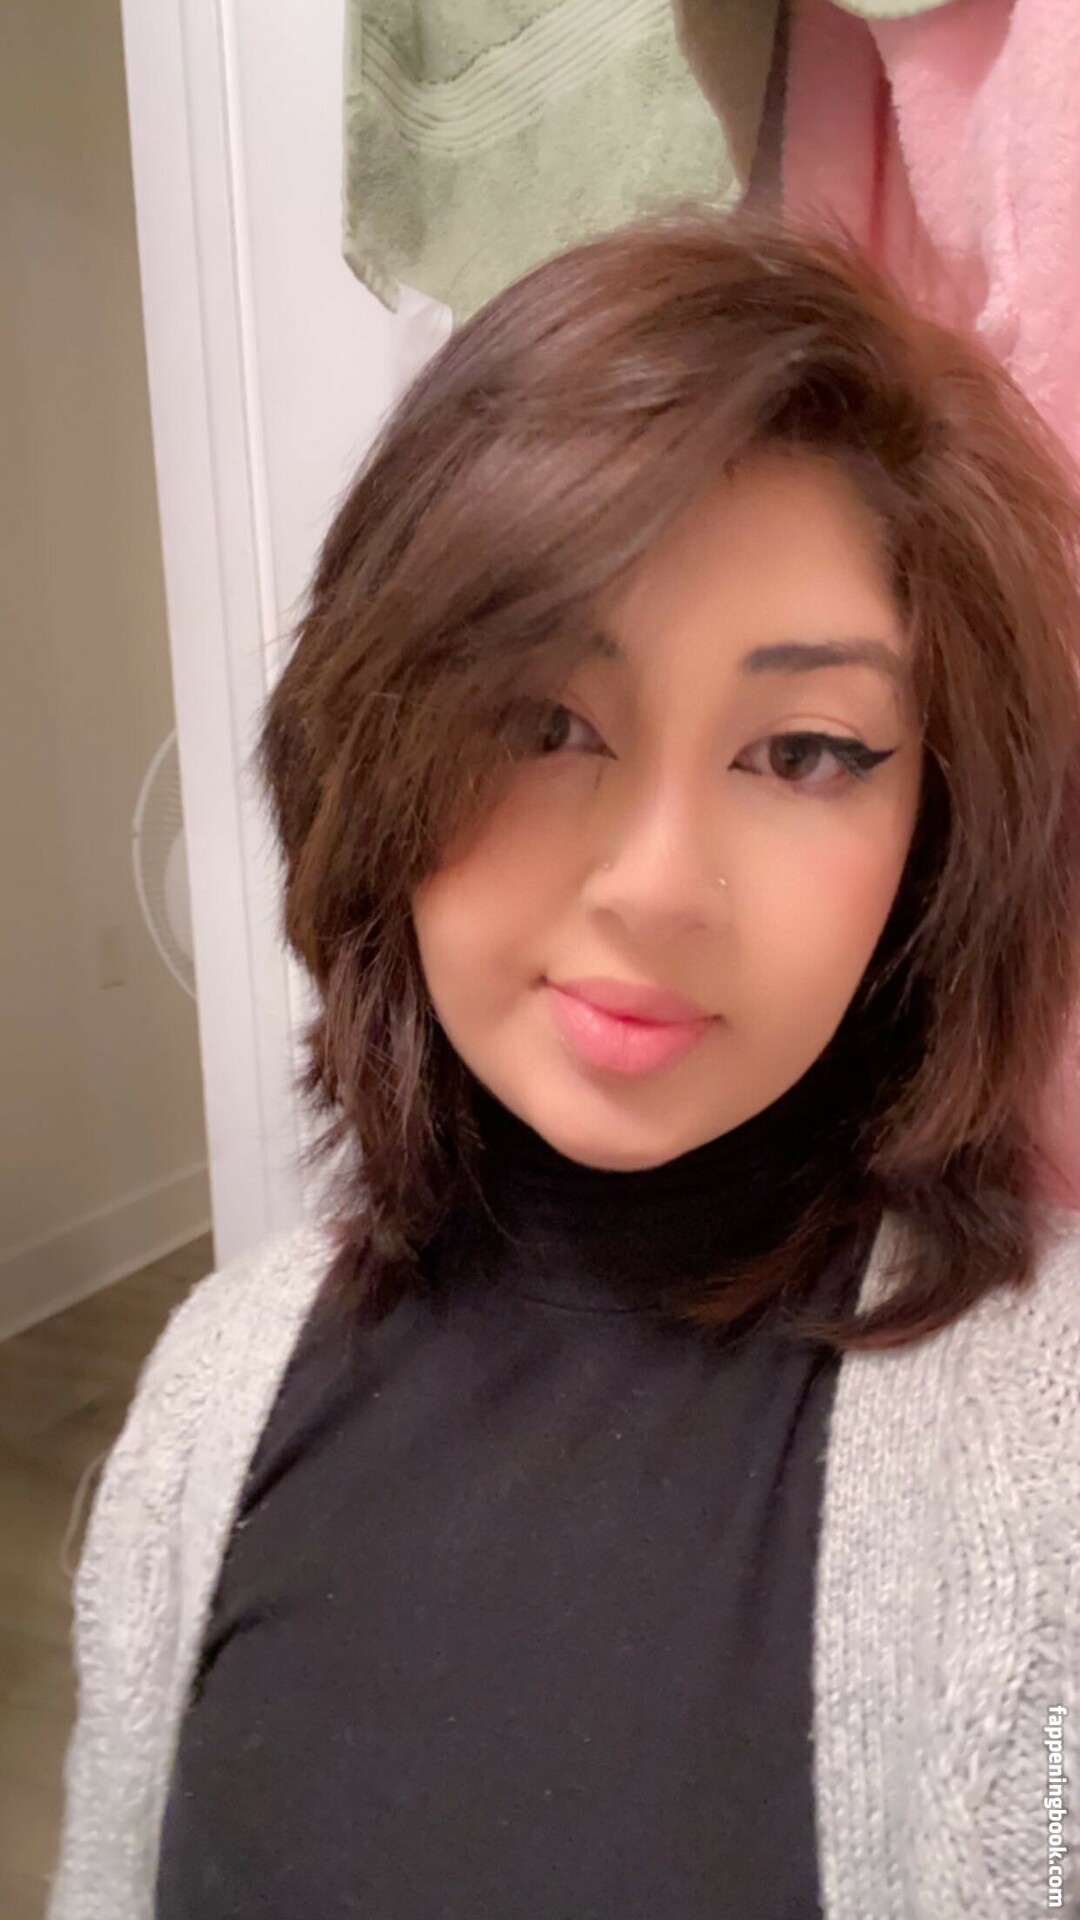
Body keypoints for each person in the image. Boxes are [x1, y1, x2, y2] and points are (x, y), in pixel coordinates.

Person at [48, 206, 1080, 1920]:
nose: (657, 884)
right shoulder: (211, 1391)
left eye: (805, 753)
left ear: (939, 831)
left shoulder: (1049, 1469)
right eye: (548, 723)